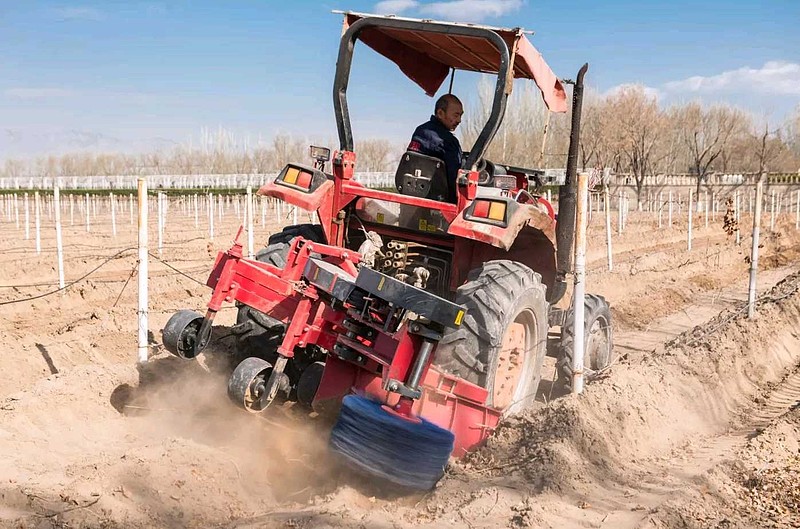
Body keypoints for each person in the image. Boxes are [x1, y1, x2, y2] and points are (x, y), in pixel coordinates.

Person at [407, 94, 464, 203]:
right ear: (440, 113)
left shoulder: (419, 131)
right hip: (440, 201)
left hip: (412, 193)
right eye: (456, 115)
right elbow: (455, 178)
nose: (459, 120)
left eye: (460, 115)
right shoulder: (448, 141)